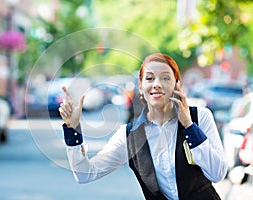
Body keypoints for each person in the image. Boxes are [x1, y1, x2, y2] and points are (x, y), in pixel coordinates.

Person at [58, 53, 228, 200]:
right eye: (150, 78)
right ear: (141, 87)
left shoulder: (200, 117)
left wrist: (189, 127)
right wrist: (73, 130)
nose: (157, 84)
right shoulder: (129, 136)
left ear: (177, 85)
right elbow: (85, 174)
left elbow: (217, 174)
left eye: (165, 78)